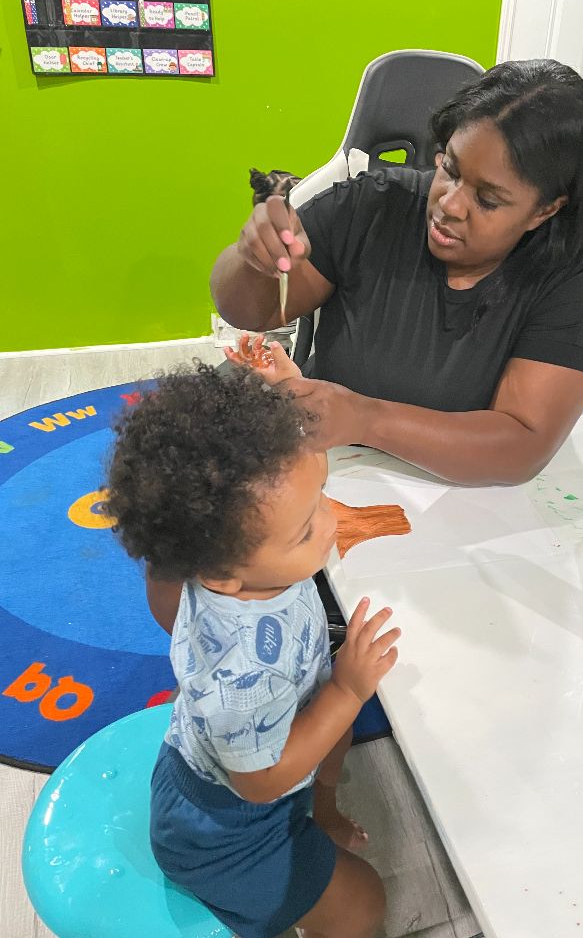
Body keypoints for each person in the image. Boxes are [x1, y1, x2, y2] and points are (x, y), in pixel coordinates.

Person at [105, 353, 400, 938]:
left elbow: (302, 463)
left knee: (327, 730)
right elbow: (258, 783)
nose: (331, 522)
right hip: (225, 829)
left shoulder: (224, 553)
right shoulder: (241, 675)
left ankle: (320, 814)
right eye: (305, 529)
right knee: (363, 904)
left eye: (322, 496)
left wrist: (284, 397)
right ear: (222, 577)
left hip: (266, 753)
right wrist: (345, 688)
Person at [211, 58, 583, 486]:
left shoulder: (571, 276)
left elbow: (521, 446)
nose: (450, 205)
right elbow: (251, 313)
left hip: (465, 502)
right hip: (335, 475)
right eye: (450, 169)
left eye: (489, 200)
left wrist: (367, 418)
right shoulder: (374, 207)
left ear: (545, 210)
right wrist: (253, 260)